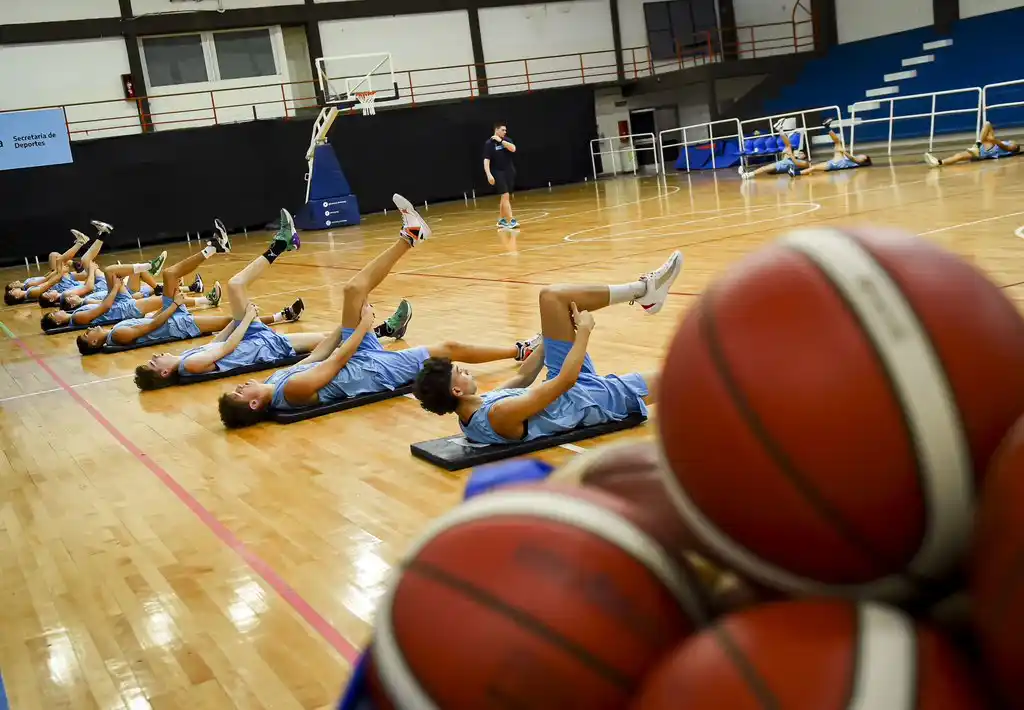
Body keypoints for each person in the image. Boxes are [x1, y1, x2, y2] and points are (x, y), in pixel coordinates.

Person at [216, 194, 540, 429]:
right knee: (447, 349)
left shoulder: (276, 379)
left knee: (353, 290)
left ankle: (410, 235)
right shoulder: (291, 392)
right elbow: (335, 362)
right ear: (255, 404)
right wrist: (364, 326)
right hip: (369, 373)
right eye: (241, 393)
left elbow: (315, 358)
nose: (242, 386)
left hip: (354, 357)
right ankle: (520, 349)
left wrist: (341, 330)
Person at [413, 250, 683, 444]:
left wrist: (547, 337)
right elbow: (566, 381)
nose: (465, 371)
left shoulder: (475, 410)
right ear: (456, 389)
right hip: (589, 401)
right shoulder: (498, 415)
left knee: (552, 297)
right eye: (459, 371)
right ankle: (646, 295)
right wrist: (584, 331)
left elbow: (523, 376)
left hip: (566, 389)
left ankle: (642, 290)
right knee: (676, 378)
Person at [134, 232, 382, 390]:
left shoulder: (188, 358)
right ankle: (380, 331)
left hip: (252, 338)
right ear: (165, 372)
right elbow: (227, 348)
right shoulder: (190, 365)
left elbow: (219, 341)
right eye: (154, 364)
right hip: (259, 346)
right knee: (328, 339)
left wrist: (237, 323)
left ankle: (282, 243)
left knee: (235, 285)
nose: (155, 357)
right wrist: (247, 319)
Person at [71, 214, 271, 355]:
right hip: (176, 325)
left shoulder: (116, 331)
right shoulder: (119, 334)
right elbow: (152, 326)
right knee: (234, 320)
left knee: (169, 274)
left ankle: (214, 248)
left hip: (168, 315)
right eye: (89, 335)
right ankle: (280, 316)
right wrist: (174, 304)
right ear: (95, 342)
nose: (91, 330)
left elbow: (151, 322)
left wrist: (170, 304)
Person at [41, 259, 220, 332]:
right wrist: (116, 288)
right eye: (53, 315)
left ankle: (149, 267)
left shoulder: (77, 311)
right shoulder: (77, 318)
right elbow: (105, 307)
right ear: (57, 321)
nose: (56, 312)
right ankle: (205, 300)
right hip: (125, 309)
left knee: (110, 270)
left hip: (120, 301)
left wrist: (117, 288)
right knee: (166, 299)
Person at [5, 231, 93, 305]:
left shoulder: (28, 290)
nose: (13, 289)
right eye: (11, 291)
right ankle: (81, 243)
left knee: (86, 272)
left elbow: (46, 279)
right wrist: (59, 273)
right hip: (59, 284)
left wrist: (58, 272)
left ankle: (82, 248)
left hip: (57, 281)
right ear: (16, 297)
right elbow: (48, 283)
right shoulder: (30, 292)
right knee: (59, 259)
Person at [788, 119, 872, 176]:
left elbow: (852, 158)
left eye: (863, 157)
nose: (861, 155)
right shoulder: (855, 160)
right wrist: (842, 151)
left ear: (863, 161)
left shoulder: (857, 162)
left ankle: (796, 173)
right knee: (837, 142)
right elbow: (850, 158)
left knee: (813, 168)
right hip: (839, 160)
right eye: (862, 155)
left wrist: (843, 151)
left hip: (837, 164)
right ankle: (827, 127)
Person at [925, 121, 1021, 167]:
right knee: (960, 156)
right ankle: (939, 162)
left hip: (992, 149)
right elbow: (991, 139)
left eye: (1015, 144)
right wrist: (991, 139)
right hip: (985, 149)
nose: (1013, 141)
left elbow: (1004, 147)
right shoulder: (1005, 144)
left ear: (1015, 148)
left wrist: (995, 141)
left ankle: (978, 144)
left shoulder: (1011, 147)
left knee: (987, 124)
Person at [484, 122, 518, 229]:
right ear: (496, 130)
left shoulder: (506, 140)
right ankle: (511, 220)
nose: (505, 132)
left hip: (509, 171)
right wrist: (489, 174)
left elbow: (513, 149)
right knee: (505, 195)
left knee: (505, 197)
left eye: (505, 130)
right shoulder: (489, 143)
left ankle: (501, 220)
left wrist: (501, 141)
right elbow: (486, 160)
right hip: (497, 172)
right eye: (503, 130)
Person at [738, 130, 809, 180]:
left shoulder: (805, 163)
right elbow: (788, 145)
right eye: (800, 152)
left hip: (784, 167)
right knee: (765, 168)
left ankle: (748, 174)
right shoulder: (791, 157)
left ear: (805, 156)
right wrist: (781, 131)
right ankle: (747, 173)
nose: (800, 153)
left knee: (764, 168)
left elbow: (797, 163)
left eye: (802, 153)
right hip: (782, 165)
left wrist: (791, 155)